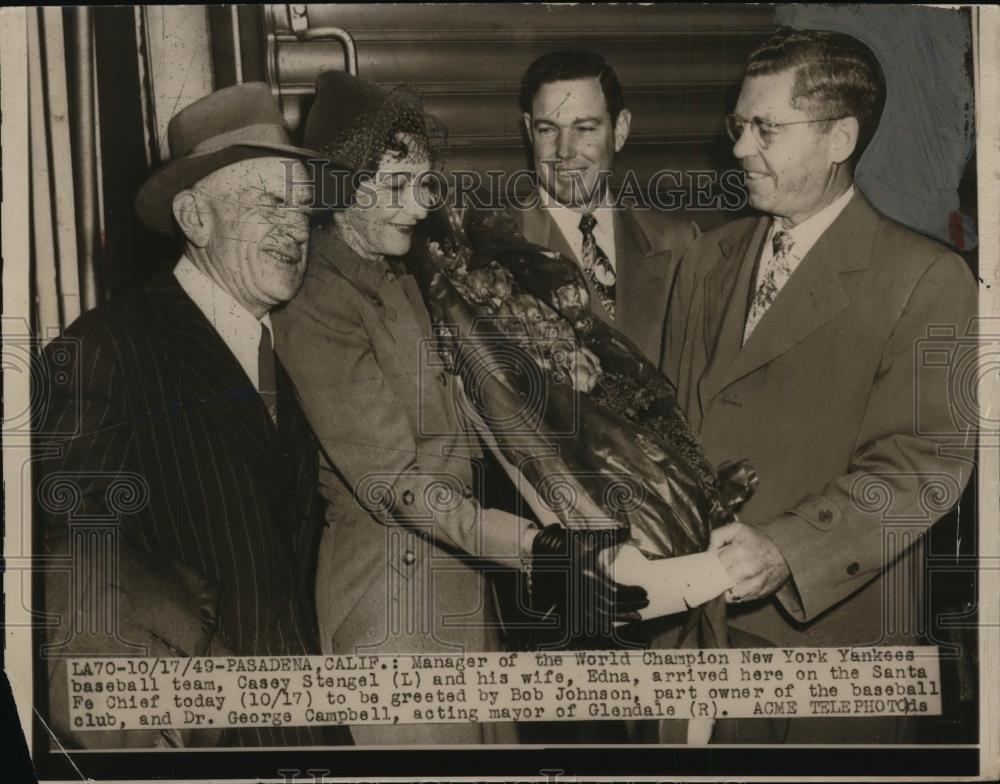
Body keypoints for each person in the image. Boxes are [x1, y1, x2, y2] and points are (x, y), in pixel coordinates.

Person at [271, 71, 646, 746]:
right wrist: (536, 549)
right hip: (392, 604)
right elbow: (398, 486)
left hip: (460, 589)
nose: (419, 206)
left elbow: (470, 418)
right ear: (341, 187)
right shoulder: (317, 301)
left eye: (425, 182)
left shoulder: (400, 270)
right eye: (396, 187)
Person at [663, 28, 976, 743]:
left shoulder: (925, 279)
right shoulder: (705, 260)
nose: (740, 147)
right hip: (697, 641)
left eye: (766, 128)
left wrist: (786, 549)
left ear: (840, 139)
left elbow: (922, 467)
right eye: (738, 125)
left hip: (826, 653)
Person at [35, 83, 351, 747]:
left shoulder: (297, 349)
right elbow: (84, 574)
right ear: (196, 218)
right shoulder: (107, 348)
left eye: (303, 206)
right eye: (271, 202)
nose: (297, 227)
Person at [514, 49, 701, 363]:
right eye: (547, 130)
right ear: (529, 130)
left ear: (621, 129)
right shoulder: (498, 244)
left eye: (584, 129)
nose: (564, 151)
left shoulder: (679, 242)